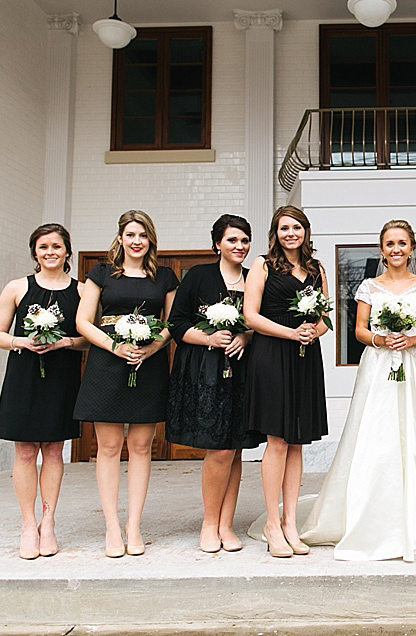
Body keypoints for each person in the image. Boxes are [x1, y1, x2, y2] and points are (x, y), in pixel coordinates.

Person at [300, 220, 416, 561]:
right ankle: (371, 516)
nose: (396, 249)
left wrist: (410, 338)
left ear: (412, 248)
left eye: (402, 243)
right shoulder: (369, 287)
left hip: (415, 367)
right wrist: (381, 339)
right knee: (377, 434)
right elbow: (358, 330)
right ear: (382, 249)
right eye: (390, 244)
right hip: (377, 367)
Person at [74, 210, 178, 558]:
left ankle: (134, 524)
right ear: (120, 238)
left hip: (148, 365)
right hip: (107, 363)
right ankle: (111, 526)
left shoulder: (164, 277)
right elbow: (83, 321)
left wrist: (150, 348)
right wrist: (115, 346)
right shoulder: (101, 273)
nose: (137, 241)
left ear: (150, 240)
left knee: (141, 445)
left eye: (143, 235)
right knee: (107, 447)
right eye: (131, 234)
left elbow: (171, 323)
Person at [166, 214, 263, 553]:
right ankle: (209, 523)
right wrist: (210, 338)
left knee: (235, 448)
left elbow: (262, 323)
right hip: (204, 371)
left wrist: (246, 337)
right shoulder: (198, 277)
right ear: (218, 243)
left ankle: (226, 523)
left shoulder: (254, 278)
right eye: (233, 240)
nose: (240, 246)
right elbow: (176, 323)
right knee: (218, 449)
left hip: (244, 372)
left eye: (245, 240)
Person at [0, 224, 88, 559]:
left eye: (57, 246)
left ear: (67, 252)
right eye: (43, 246)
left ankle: (48, 522)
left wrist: (65, 341)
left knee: (53, 450)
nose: (50, 252)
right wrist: (22, 341)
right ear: (35, 252)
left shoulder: (81, 290)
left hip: (61, 374)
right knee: (25, 452)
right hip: (24, 372)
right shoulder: (17, 287)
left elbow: (88, 338)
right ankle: (27, 523)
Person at [243, 205, 329, 558]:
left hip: (305, 357)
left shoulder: (316, 269)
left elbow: (325, 318)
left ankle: (292, 522)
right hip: (271, 355)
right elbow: (250, 315)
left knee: (297, 441)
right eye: (283, 228)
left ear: (306, 231)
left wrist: (312, 331)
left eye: (296, 227)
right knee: (277, 440)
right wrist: (290, 333)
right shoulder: (263, 266)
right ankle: (272, 523)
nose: (290, 233)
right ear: (275, 233)